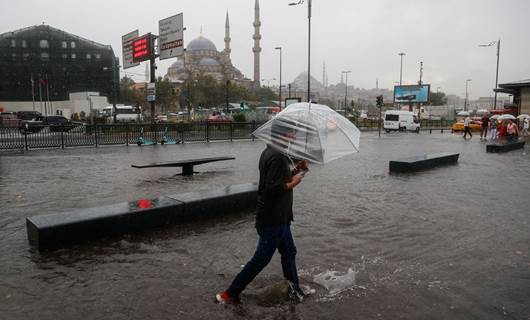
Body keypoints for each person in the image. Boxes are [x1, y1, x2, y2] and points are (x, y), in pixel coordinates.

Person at [215, 120, 308, 305]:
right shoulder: (277, 157)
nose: (294, 137)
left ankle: (295, 290)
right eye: (291, 133)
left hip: (280, 217)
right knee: (261, 259)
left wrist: (297, 170)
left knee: (289, 252)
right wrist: (295, 182)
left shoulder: (270, 152)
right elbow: (272, 189)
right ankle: (230, 294)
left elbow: (274, 179)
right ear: (281, 135)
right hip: (273, 219)